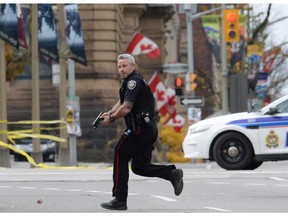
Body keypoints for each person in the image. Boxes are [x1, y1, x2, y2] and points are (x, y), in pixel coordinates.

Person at [99, 54, 184, 211]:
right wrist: (109, 112)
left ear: (133, 66)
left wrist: (111, 118)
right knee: (139, 167)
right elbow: (121, 102)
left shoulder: (133, 82)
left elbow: (126, 108)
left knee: (120, 151)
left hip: (139, 129)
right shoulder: (129, 82)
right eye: (119, 67)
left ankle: (119, 199)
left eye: (124, 66)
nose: (121, 69)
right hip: (146, 129)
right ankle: (171, 173)